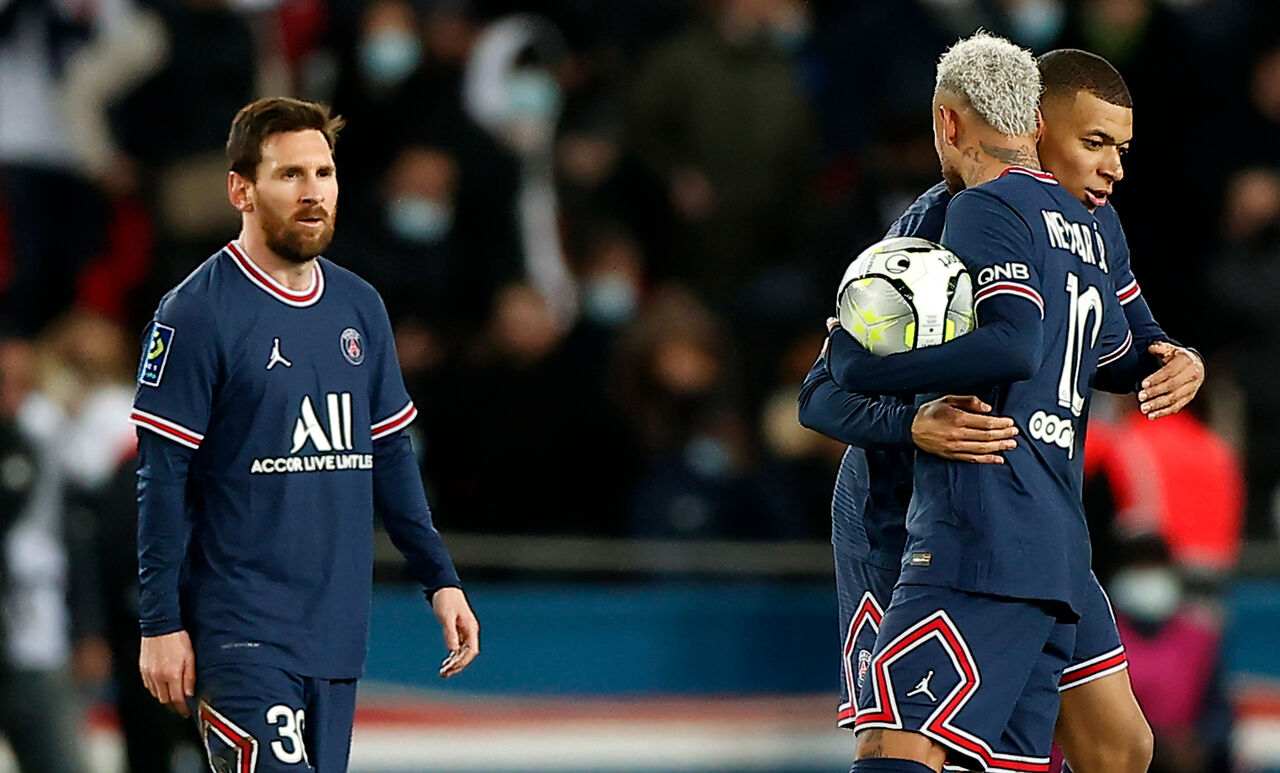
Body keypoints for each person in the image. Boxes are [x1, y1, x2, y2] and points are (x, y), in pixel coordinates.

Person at [801, 46, 1207, 773]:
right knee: (909, 739)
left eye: (1121, 148)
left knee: (1119, 745)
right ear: (1036, 126)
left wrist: (1184, 359)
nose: (1114, 167)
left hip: (1031, 511)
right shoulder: (939, 223)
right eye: (1095, 143)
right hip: (908, 512)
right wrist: (908, 422)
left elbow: (1132, 344)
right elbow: (823, 391)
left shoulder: (1094, 226)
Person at [131, 97, 479, 773]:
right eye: (290, 174)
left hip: (335, 635)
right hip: (240, 634)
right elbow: (162, 477)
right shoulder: (196, 313)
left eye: (324, 172)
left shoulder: (359, 306)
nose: (313, 191)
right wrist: (160, 623)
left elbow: (389, 455)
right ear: (241, 190)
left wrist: (441, 579)